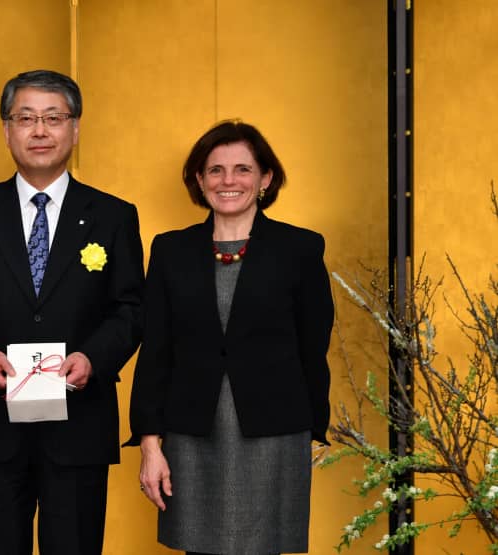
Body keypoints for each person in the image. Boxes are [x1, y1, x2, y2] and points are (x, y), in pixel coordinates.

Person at [0, 69, 144, 555]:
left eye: (53, 117)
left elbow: (131, 308)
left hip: (79, 421)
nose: (40, 130)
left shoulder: (114, 215)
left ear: (75, 127)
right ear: (6, 130)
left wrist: (94, 357)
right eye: (25, 118)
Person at [127, 120, 334, 554]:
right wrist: (150, 444)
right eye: (215, 170)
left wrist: (313, 429)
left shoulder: (300, 249)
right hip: (191, 435)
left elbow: (313, 345)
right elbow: (156, 351)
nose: (229, 181)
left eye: (243, 169)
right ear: (199, 180)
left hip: (274, 434)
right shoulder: (170, 250)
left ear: (265, 178)